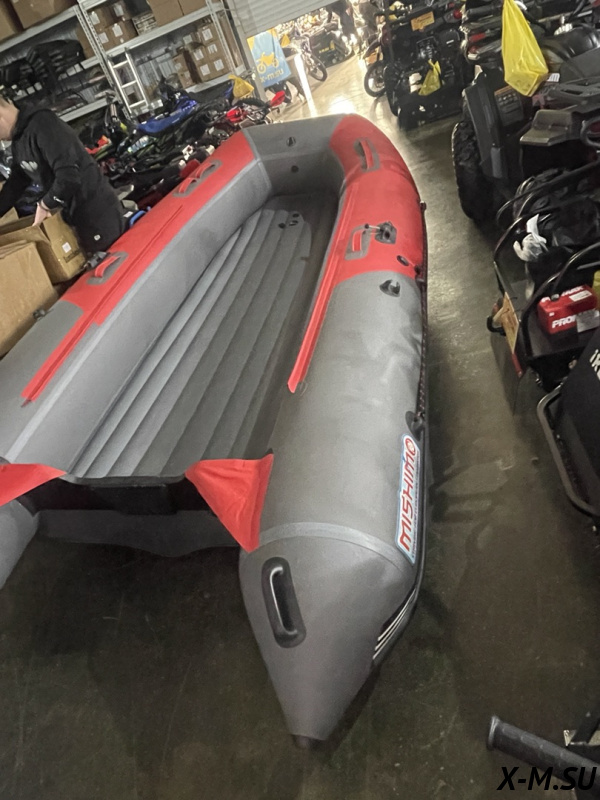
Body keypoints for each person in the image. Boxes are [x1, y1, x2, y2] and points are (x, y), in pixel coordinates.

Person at [0, 97, 126, 254]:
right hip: (74, 219)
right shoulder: (19, 141)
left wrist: (44, 205)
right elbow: (17, 182)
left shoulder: (43, 124)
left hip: (96, 215)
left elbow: (69, 177)